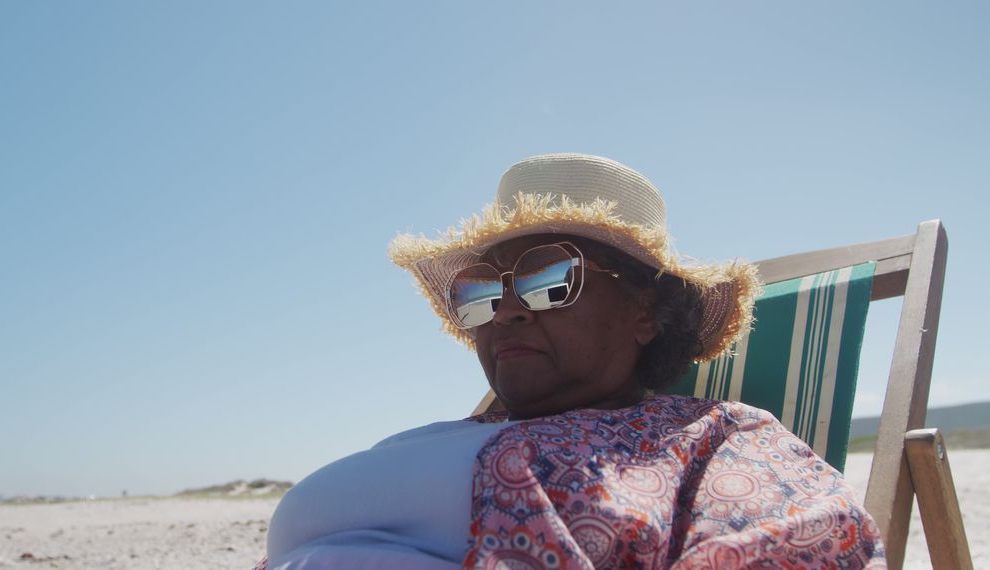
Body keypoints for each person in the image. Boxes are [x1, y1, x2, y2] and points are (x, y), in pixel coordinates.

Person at [256, 154, 886, 569]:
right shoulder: (464, 431)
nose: (506, 312)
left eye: (549, 280)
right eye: (481, 292)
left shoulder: (717, 435)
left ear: (645, 310)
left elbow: (809, 542)